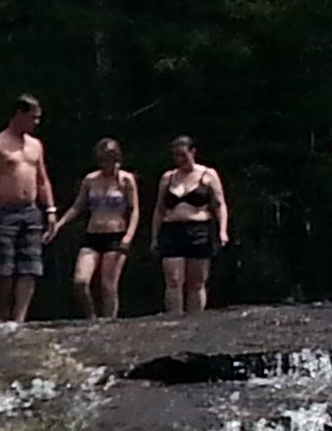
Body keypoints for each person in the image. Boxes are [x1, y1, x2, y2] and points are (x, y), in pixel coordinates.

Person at [0, 96, 54, 323]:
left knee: (30, 264)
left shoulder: (35, 145)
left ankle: (20, 318)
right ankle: (3, 314)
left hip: (30, 210)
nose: (36, 122)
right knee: (3, 267)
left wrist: (50, 209)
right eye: (33, 117)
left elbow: (42, 179)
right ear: (19, 115)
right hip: (4, 210)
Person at [46, 138, 139, 320]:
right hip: (93, 235)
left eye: (110, 160)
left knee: (108, 285)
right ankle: (92, 318)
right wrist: (59, 224)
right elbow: (78, 206)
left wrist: (128, 236)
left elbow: (134, 210)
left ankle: (110, 322)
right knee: (80, 281)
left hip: (115, 235)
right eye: (103, 160)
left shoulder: (126, 180)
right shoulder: (91, 179)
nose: (106, 164)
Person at [154, 136, 228, 314]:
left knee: (197, 281)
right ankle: (174, 318)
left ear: (193, 152)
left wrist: (223, 230)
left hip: (199, 229)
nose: (180, 160)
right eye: (176, 156)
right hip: (172, 228)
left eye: (183, 155)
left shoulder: (208, 175)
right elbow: (159, 209)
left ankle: (195, 319)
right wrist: (155, 237)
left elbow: (219, 204)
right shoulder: (168, 177)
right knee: (173, 279)